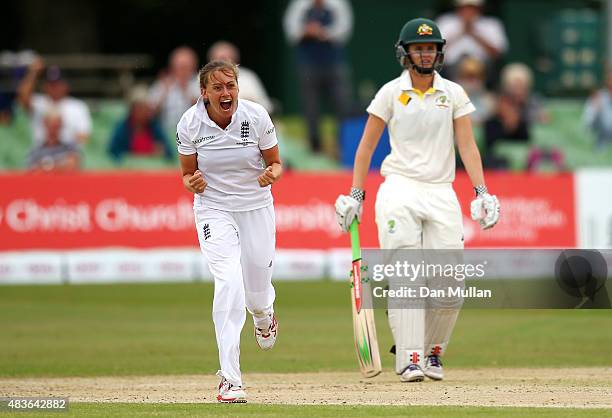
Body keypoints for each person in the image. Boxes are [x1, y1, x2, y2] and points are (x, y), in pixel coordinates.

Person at [334, 18, 500, 383]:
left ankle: (433, 352)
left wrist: (482, 191)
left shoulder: (453, 93)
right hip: (400, 188)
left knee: (450, 282)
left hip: (441, 191)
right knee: (407, 276)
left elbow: (467, 145)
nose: (425, 53)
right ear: (405, 53)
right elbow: (366, 147)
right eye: (418, 48)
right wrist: (356, 194)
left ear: (439, 52)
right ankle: (409, 359)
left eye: (430, 47)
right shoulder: (390, 93)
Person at [176, 60, 282, 403]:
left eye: (231, 86)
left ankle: (264, 315)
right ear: (204, 92)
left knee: (256, 292)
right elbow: (187, 174)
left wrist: (272, 174)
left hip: (255, 207)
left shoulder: (256, 116)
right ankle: (230, 379)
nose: (226, 93)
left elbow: (275, 162)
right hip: (214, 208)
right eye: (218, 88)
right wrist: (192, 182)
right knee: (228, 283)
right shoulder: (189, 123)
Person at [283, 0, 354, 153]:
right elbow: (291, 31)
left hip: (334, 63)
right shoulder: (299, 5)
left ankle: (344, 145)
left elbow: (345, 30)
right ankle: (314, 147)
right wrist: (306, 31)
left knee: (342, 104)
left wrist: (322, 32)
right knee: (311, 107)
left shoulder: (338, 5)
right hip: (308, 64)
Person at [17, 57, 92, 146]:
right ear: (45, 86)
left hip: (67, 154)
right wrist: (34, 72)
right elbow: (23, 97)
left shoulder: (78, 106)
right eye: (51, 84)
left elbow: (84, 137)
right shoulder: (40, 103)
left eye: (57, 84)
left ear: (65, 86)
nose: (54, 88)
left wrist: (58, 140)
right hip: (41, 154)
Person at [436, 0, 508, 85]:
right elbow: (436, 51)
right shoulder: (445, 22)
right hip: (450, 69)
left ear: (479, 9)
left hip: (483, 68)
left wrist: (474, 34)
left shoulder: (491, 24)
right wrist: (460, 32)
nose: (468, 12)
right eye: (465, 8)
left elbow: (497, 53)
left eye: (472, 8)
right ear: (458, 8)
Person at [108, 85, 173, 163]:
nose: (145, 112)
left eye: (146, 108)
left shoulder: (154, 126)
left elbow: (170, 153)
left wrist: (162, 152)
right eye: (141, 108)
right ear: (132, 110)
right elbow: (113, 152)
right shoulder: (122, 128)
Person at [207, 40, 274, 113]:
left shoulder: (248, 77)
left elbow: (265, 106)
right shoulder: (202, 78)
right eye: (221, 59)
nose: (224, 63)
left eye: (228, 58)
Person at [149, 46, 200, 136]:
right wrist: (164, 92)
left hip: (194, 133)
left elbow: (204, 109)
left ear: (193, 66)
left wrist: (185, 89)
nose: (183, 70)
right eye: (180, 66)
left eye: (185, 66)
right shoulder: (162, 84)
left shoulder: (200, 82)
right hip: (166, 133)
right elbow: (150, 113)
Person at [583, 66, 612, 149]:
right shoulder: (599, 96)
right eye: (609, 78)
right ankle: (601, 142)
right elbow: (589, 116)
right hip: (599, 127)